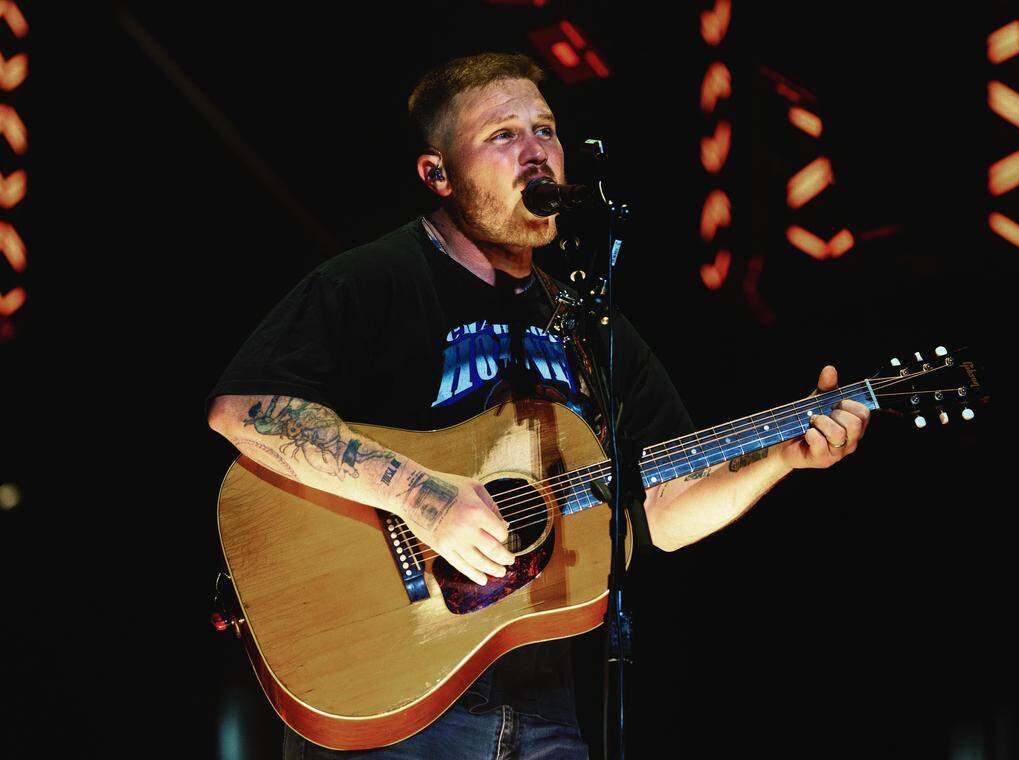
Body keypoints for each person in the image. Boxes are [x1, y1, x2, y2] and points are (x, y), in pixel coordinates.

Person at [206, 52, 870, 759]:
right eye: (503, 135)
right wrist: (422, 495)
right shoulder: (376, 280)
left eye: (545, 131)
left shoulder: (589, 325)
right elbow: (244, 408)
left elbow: (665, 515)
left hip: (544, 705)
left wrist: (781, 461)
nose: (536, 151)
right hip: (395, 689)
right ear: (437, 174)